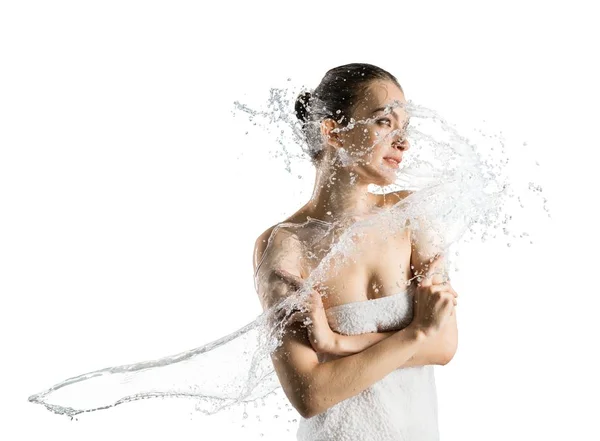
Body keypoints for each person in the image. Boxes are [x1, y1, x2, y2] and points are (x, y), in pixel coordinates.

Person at [252, 63, 459, 441]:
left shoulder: (410, 217)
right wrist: (415, 335)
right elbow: (310, 394)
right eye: (384, 122)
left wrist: (336, 344)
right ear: (332, 131)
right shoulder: (285, 245)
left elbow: (444, 345)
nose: (403, 142)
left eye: (405, 128)